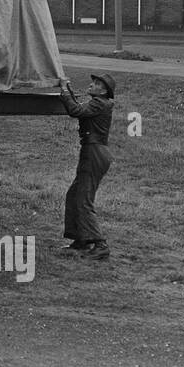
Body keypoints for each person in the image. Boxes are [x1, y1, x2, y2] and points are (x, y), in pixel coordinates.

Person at [58, 72, 116, 260]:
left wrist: (64, 92)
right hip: (93, 152)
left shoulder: (100, 103)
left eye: (97, 83)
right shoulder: (98, 103)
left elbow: (75, 111)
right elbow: (79, 108)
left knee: (83, 198)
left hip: (94, 153)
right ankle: (81, 240)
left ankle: (100, 244)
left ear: (104, 91)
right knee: (74, 195)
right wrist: (68, 91)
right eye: (93, 82)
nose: (92, 85)